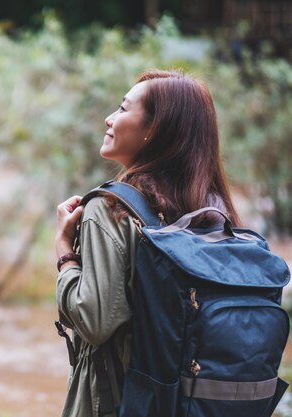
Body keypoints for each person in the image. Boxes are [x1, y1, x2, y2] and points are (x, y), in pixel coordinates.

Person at [54, 69, 240, 417]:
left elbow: (95, 322)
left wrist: (65, 252)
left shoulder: (110, 209)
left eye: (123, 109)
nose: (110, 118)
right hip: (194, 403)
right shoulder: (215, 209)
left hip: (124, 402)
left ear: (154, 130)